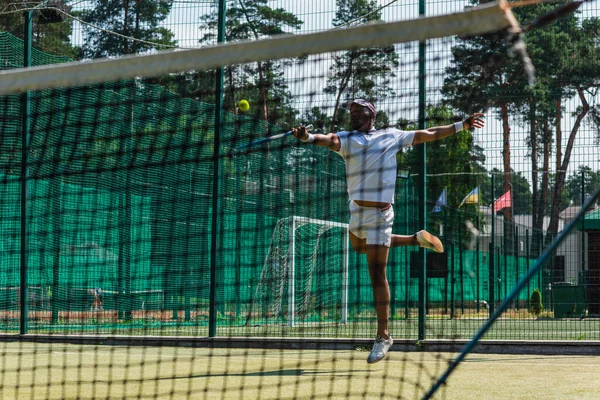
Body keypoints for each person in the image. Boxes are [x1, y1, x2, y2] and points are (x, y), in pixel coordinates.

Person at [292, 99, 484, 363]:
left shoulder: (391, 136)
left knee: (376, 271)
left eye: (359, 111)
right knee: (359, 248)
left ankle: (383, 335)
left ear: (371, 114)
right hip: (356, 211)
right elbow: (327, 140)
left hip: (381, 214)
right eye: (351, 112)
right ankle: (415, 238)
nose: (354, 115)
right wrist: (307, 137)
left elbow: (428, 133)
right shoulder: (347, 139)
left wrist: (462, 125)